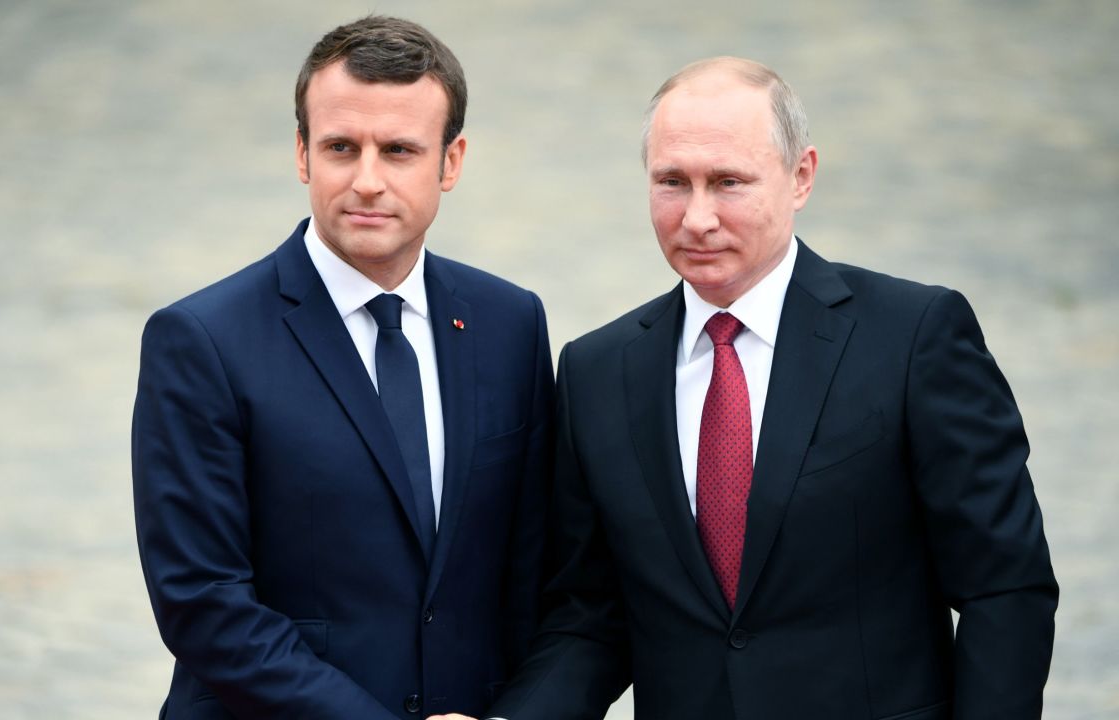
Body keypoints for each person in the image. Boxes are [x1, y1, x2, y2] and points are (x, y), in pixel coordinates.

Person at [436, 57, 1058, 720]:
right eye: (672, 182)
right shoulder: (597, 371)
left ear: (801, 176)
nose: (697, 217)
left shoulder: (912, 337)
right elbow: (592, 617)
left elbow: (1005, 589)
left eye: (728, 182)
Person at [132, 16, 553, 719]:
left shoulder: (510, 322)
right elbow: (203, 605)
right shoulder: (201, 340)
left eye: (397, 150)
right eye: (339, 147)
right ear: (302, 154)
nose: (366, 181)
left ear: (450, 162)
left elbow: (535, 573)